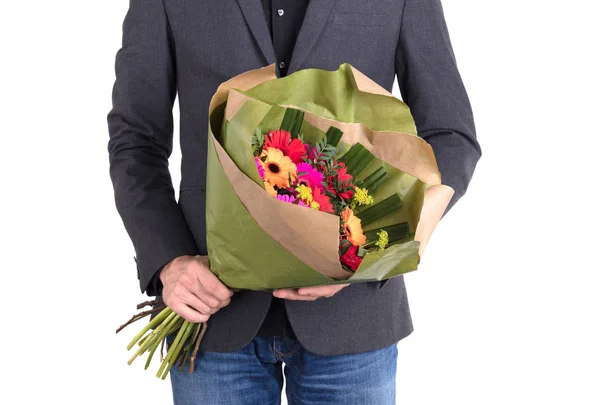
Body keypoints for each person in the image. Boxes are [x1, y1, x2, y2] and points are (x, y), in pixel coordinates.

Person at [107, 0, 481, 403]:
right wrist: (169, 260)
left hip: (353, 320)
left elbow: (451, 137)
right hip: (210, 312)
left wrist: (368, 249)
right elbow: (136, 141)